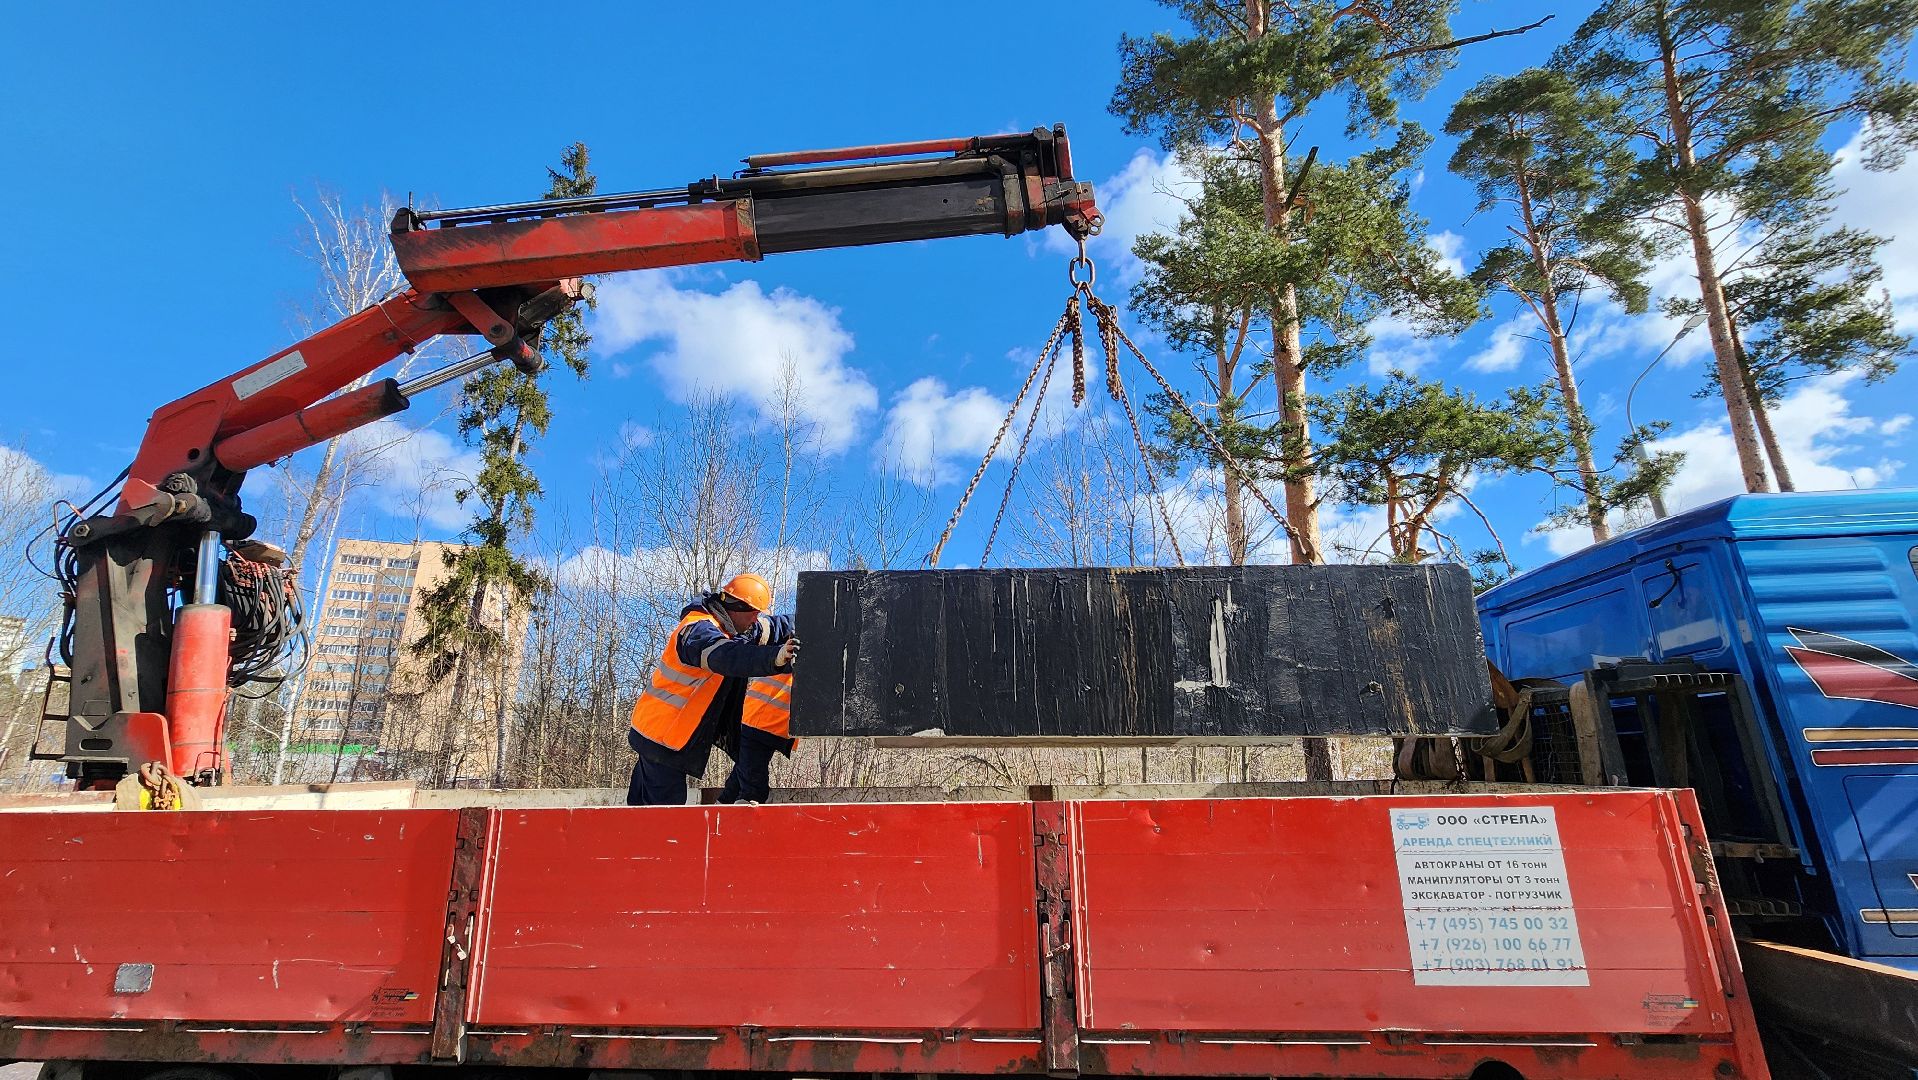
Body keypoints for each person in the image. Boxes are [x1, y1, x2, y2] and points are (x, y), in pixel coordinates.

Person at [627, 573, 799, 806]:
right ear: (738, 607)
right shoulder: (697, 632)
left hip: (663, 733)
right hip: (663, 734)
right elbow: (728, 656)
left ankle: (629, 842)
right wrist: (775, 658)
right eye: (754, 613)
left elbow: (773, 628)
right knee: (663, 818)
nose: (756, 619)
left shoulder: (732, 626)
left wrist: (811, 618)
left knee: (641, 813)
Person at [720, 670, 793, 804]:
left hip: (761, 717)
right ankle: (725, 810)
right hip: (764, 717)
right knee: (751, 792)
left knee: (744, 780)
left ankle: (721, 808)